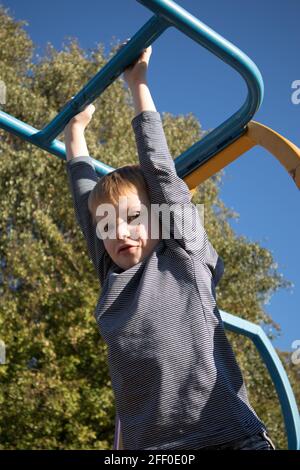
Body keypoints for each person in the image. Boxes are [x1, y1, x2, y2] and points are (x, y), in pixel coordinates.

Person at [64, 44, 275, 450]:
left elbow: (160, 169)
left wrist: (137, 81)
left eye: (132, 218)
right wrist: (75, 134)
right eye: (107, 226)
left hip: (225, 437)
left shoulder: (182, 254)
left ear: (160, 217)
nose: (119, 232)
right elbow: (84, 202)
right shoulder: (112, 276)